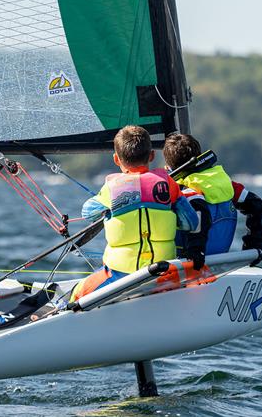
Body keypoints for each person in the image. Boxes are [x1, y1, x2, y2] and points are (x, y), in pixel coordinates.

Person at [70, 125, 200, 302]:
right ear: (152, 155)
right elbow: (190, 223)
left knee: (77, 292)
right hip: (163, 274)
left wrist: (111, 205)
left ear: (117, 159)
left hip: (120, 275)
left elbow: (88, 213)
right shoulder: (168, 184)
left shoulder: (112, 188)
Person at [162, 134, 262, 264]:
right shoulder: (225, 183)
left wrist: (196, 250)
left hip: (192, 261)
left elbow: (199, 211)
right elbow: (255, 204)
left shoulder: (183, 188)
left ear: (168, 166)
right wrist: (253, 246)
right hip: (219, 258)